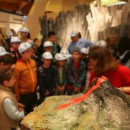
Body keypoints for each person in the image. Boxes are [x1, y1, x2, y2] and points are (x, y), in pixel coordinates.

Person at [14, 42, 37, 114]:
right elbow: (16, 82)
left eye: (30, 51)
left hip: (33, 92)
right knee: (24, 112)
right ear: (21, 53)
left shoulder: (33, 62)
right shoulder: (18, 66)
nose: (30, 53)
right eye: (28, 52)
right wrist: (17, 94)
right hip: (24, 95)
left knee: (32, 110)